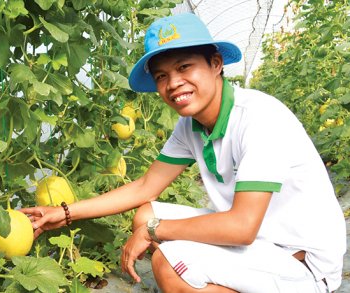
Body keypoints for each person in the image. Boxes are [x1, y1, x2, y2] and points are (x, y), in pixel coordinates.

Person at [20, 13, 346, 293]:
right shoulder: (190, 126)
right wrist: (63, 213)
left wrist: (153, 232)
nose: (173, 83)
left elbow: (242, 228)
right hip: (260, 239)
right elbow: (145, 186)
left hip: (300, 259)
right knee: (145, 213)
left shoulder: (258, 118)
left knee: (168, 262)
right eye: (162, 76)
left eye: (184, 67)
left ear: (216, 64)